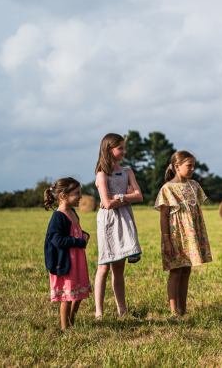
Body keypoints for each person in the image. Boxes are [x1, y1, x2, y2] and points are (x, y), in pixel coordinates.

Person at [154, 150, 212, 315]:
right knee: (176, 270)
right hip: (175, 236)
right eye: (189, 165)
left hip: (191, 235)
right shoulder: (168, 189)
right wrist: (166, 241)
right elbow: (163, 217)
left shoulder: (195, 186)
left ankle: (183, 309)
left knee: (187, 270)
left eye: (194, 165)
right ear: (177, 167)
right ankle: (173, 311)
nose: (193, 169)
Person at [93, 133, 144, 318]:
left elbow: (140, 196)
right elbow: (107, 204)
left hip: (125, 219)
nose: (124, 151)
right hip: (108, 221)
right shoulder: (102, 174)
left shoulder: (128, 171)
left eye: (124, 147)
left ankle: (122, 310)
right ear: (108, 149)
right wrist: (126, 198)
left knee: (119, 268)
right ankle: (99, 312)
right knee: (104, 266)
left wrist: (119, 197)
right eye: (120, 148)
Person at [43, 177, 91, 330]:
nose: (81, 196)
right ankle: (65, 328)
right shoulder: (58, 216)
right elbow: (57, 240)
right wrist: (79, 242)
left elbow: (74, 231)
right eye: (77, 193)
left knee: (79, 295)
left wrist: (84, 234)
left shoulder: (72, 211)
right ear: (64, 195)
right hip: (66, 262)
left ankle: (72, 323)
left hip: (78, 260)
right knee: (68, 297)